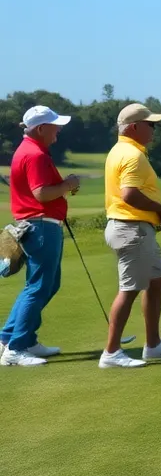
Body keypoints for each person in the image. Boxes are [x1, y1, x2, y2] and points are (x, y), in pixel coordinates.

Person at [100, 103, 161, 368]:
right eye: (151, 125)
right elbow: (129, 194)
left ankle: (153, 345)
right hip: (131, 228)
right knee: (129, 289)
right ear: (134, 127)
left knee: (157, 280)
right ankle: (112, 352)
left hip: (133, 228)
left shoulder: (122, 150)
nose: (154, 130)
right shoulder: (132, 155)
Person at [1, 106, 78, 367]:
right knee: (38, 287)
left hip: (38, 225)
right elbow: (42, 194)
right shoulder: (35, 154)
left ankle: (13, 338)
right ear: (40, 128)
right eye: (54, 126)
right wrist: (69, 184)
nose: (58, 130)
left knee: (47, 284)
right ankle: (16, 348)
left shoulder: (29, 151)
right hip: (41, 226)